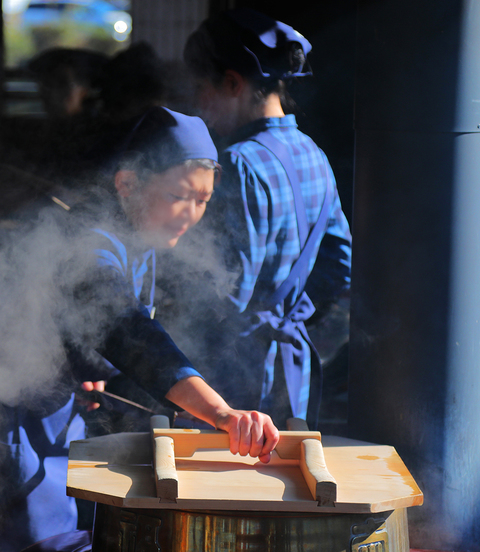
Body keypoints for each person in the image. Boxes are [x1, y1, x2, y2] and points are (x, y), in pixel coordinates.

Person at [0, 106, 280, 551]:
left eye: (203, 201)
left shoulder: (140, 237)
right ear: (127, 184)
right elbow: (127, 329)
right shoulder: (91, 243)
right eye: (180, 195)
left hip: (61, 408)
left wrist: (82, 363)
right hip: (14, 417)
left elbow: (89, 331)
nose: (191, 214)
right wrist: (220, 413)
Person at [171, 8, 352, 428]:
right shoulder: (313, 152)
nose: (199, 104)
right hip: (294, 375)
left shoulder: (236, 163)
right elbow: (340, 264)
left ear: (232, 83)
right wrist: (291, 314)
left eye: (202, 89)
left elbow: (227, 290)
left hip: (235, 382)